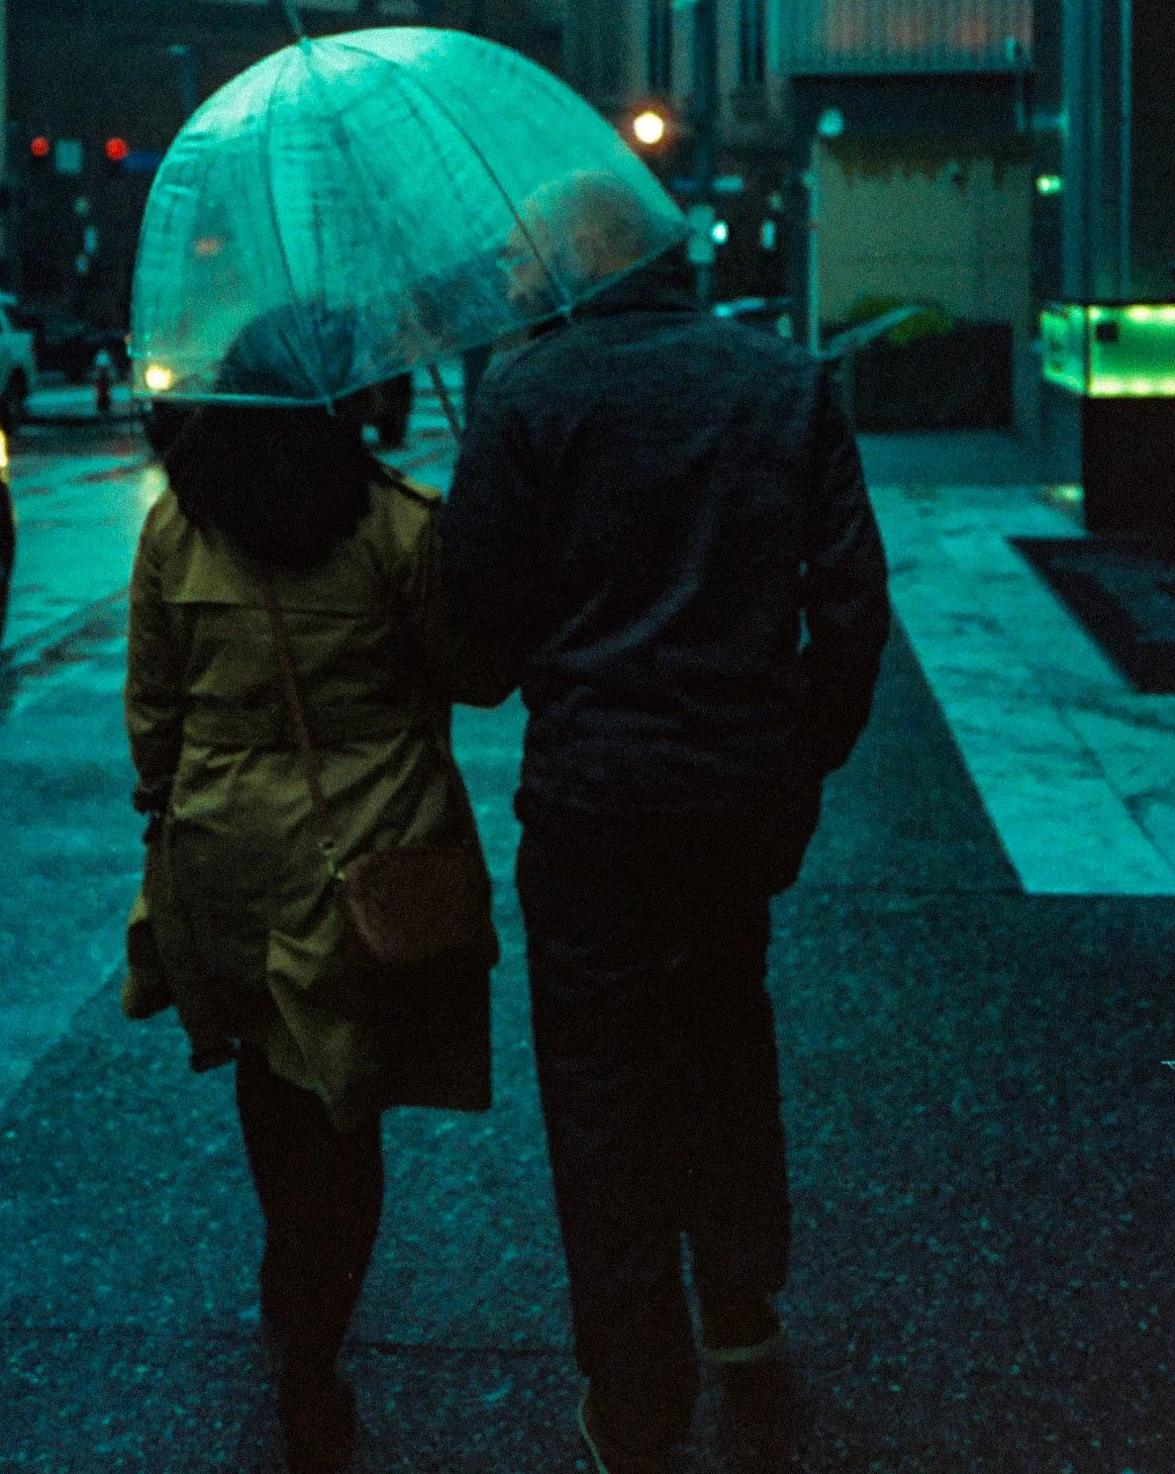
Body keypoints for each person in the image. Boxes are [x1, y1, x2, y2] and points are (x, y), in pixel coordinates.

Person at [439, 181, 891, 1474]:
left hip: (590, 804)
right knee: (724, 1033)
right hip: (735, 797)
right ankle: (739, 1303)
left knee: (599, 1087)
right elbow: (850, 612)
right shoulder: (783, 385)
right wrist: (800, 760)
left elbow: (471, 646)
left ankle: (634, 1392)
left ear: (580, 269)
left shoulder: (525, 400)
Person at [123, 353, 496, 1474]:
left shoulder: (179, 530)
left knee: (269, 1063)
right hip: (361, 843)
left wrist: (175, 802)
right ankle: (311, 1332)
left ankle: (289, 1276)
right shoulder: (394, 525)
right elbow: (467, 671)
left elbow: (153, 709)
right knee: (347, 1096)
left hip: (223, 845)